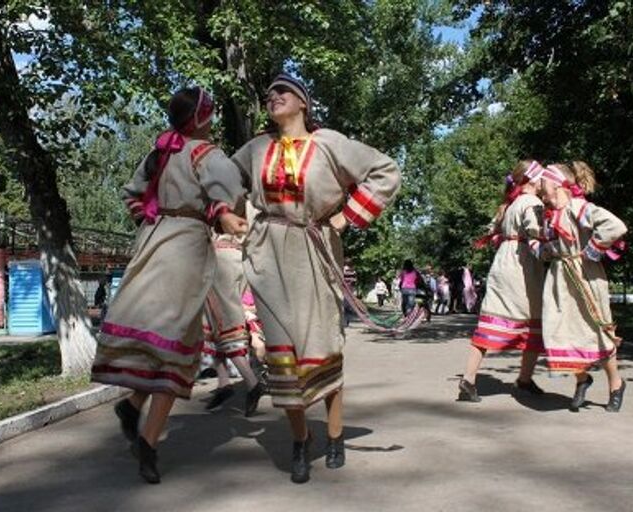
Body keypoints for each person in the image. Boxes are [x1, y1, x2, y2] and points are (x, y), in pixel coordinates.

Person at [226, 73, 401, 483]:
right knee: (280, 353)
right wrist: (226, 212)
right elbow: (223, 183)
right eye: (268, 94)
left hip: (314, 247)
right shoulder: (254, 149)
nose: (273, 98)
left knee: (321, 345)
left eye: (282, 92)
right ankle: (301, 439)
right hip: (266, 252)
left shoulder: (329, 143)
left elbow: (385, 170)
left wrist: (346, 217)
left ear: (303, 102)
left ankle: (336, 435)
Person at [90, 86, 247, 484]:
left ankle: (134, 406)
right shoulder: (206, 154)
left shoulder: (160, 151)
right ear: (204, 119)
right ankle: (148, 441)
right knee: (178, 342)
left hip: (152, 242)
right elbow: (227, 196)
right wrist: (223, 214)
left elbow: (133, 195)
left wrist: (149, 218)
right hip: (187, 248)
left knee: (157, 332)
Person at [536, 161, 628, 412]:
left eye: (544, 186)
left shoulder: (579, 208)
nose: (541, 192)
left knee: (597, 332)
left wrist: (592, 250)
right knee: (562, 332)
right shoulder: (549, 216)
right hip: (559, 280)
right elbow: (553, 249)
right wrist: (544, 251)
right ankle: (582, 378)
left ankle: (616, 385)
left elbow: (616, 226)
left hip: (585, 277)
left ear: (557, 185)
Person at [458, 160, 548, 403]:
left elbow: (493, 228)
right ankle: (524, 379)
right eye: (542, 178)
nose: (545, 182)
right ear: (532, 180)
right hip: (522, 266)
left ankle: (469, 378)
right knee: (532, 321)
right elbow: (536, 230)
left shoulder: (510, 205)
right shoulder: (532, 202)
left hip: (503, 263)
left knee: (491, 320)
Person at [201, 232, 264, 416]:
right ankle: (223, 383)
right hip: (240, 256)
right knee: (215, 325)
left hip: (218, 256)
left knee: (222, 324)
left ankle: (252, 383)